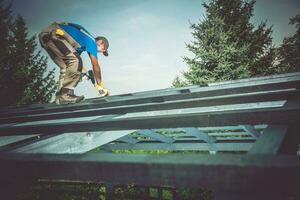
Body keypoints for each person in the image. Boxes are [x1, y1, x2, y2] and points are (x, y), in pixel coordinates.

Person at [38, 21, 109, 104]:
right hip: (54, 34)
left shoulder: (81, 41)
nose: (100, 52)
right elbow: (95, 66)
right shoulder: (92, 41)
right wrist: (99, 84)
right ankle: (66, 95)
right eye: (103, 49)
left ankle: (60, 98)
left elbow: (73, 67)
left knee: (66, 67)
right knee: (76, 61)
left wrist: (83, 74)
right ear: (100, 42)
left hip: (46, 37)